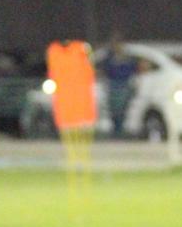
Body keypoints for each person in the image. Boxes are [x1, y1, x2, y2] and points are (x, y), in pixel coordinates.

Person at [46, 39, 97, 205]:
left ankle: (82, 180)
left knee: (80, 144)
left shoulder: (77, 51)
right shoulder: (58, 53)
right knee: (74, 145)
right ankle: (77, 179)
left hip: (76, 106)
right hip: (72, 106)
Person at [100, 33, 137, 138]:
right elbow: (105, 71)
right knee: (113, 110)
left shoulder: (127, 58)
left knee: (122, 110)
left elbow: (132, 71)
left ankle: (120, 130)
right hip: (113, 85)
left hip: (123, 86)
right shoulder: (109, 57)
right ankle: (115, 130)